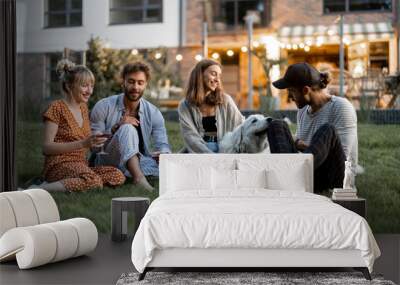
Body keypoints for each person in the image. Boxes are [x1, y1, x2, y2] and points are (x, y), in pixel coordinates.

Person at [269, 62, 358, 193]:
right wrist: (296, 143)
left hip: (335, 177)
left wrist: (299, 143)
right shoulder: (303, 110)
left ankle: (288, 179)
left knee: (328, 130)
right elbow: (305, 150)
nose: (290, 97)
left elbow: (340, 156)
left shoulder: (341, 107)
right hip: (309, 171)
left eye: (291, 91)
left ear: (305, 90)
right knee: (276, 125)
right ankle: (289, 179)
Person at [41, 59, 126, 192]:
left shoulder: (83, 109)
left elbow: (86, 141)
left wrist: (96, 139)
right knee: (94, 181)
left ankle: (79, 181)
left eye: (91, 86)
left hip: (81, 165)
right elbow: (47, 148)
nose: (89, 91)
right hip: (59, 164)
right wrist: (82, 144)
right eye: (85, 86)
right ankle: (41, 189)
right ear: (69, 86)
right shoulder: (56, 107)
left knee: (117, 175)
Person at [90, 62, 171, 192]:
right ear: (123, 82)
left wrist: (163, 154)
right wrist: (116, 127)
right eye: (131, 82)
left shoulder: (154, 112)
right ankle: (138, 178)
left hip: (140, 160)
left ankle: (130, 172)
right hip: (107, 160)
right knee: (127, 128)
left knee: (167, 169)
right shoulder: (103, 106)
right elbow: (94, 147)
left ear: (146, 84)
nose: (135, 87)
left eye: (140, 82)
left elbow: (162, 144)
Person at [178, 59, 244, 153]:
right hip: (199, 152)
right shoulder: (185, 105)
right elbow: (190, 137)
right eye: (213, 74)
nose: (217, 79)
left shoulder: (225, 100)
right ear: (200, 75)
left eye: (219, 76)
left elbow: (241, 125)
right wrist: (211, 157)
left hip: (225, 150)